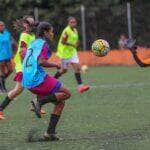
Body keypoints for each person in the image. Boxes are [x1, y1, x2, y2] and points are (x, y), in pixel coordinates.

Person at [22, 22, 71, 141]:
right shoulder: (43, 44)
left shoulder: (33, 43)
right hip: (36, 78)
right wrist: (56, 64)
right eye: (51, 31)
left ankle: (50, 133)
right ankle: (39, 101)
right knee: (67, 93)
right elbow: (41, 62)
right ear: (45, 32)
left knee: (60, 103)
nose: (52, 33)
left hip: (27, 78)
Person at [0, 16, 36, 120]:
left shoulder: (32, 34)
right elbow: (22, 53)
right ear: (25, 24)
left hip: (26, 63)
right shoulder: (24, 35)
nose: (31, 25)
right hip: (22, 64)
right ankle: (38, 103)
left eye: (32, 23)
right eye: (29, 23)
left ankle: (38, 103)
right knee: (31, 84)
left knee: (18, 89)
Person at [54, 16, 89, 93]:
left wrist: (76, 43)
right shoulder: (66, 31)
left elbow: (76, 40)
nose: (73, 23)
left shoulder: (75, 30)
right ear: (68, 23)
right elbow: (63, 42)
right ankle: (53, 80)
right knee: (64, 70)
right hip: (65, 53)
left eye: (74, 22)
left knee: (76, 67)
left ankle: (80, 87)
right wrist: (72, 45)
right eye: (71, 22)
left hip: (72, 52)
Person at [0, 21, 14, 92]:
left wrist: (12, 53)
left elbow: (11, 42)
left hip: (8, 55)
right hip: (1, 56)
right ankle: (3, 88)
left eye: (3, 25)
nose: (2, 27)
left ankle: (1, 80)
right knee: (2, 72)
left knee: (11, 70)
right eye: (1, 25)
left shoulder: (7, 33)